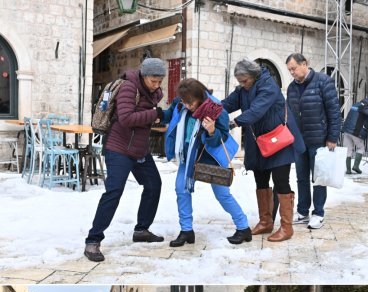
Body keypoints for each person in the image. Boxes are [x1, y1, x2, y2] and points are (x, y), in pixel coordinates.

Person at [84, 58, 167, 263]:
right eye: (153, 81)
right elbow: (126, 118)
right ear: (143, 75)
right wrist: (154, 114)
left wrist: (160, 116)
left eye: (160, 81)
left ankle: (141, 230)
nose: (157, 85)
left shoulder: (153, 93)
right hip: (118, 148)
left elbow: (147, 117)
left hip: (139, 149)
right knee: (114, 192)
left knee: (153, 185)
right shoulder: (129, 88)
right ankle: (93, 240)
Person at [222, 59, 305, 243]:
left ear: (253, 75)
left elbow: (256, 110)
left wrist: (234, 123)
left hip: (279, 140)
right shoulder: (243, 89)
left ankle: (286, 227)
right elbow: (226, 104)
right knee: (260, 179)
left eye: (244, 81)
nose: (242, 85)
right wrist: (208, 108)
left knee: (281, 181)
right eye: (240, 82)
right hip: (259, 141)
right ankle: (266, 221)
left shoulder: (268, 85)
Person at [163, 78, 251, 246]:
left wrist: (211, 131)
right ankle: (186, 231)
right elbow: (171, 113)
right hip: (188, 158)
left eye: (190, 102)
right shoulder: (181, 105)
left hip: (212, 160)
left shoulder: (217, 111)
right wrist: (157, 115)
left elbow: (221, 139)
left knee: (223, 195)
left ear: (200, 96)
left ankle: (243, 227)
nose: (187, 106)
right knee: (181, 190)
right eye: (184, 101)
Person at [285, 53, 342, 230]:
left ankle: (318, 213)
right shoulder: (291, 88)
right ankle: (302, 211)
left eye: (293, 68)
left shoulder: (323, 82)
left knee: (318, 179)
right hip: (299, 141)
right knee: (301, 178)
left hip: (319, 140)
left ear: (305, 64)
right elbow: (290, 115)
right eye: (289, 70)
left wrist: (332, 137)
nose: (292, 72)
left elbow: (334, 111)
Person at [342, 96, 368, 174]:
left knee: (348, 149)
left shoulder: (355, 104)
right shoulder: (365, 107)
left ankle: (348, 170)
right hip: (356, 131)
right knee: (361, 148)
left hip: (346, 130)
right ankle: (356, 166)